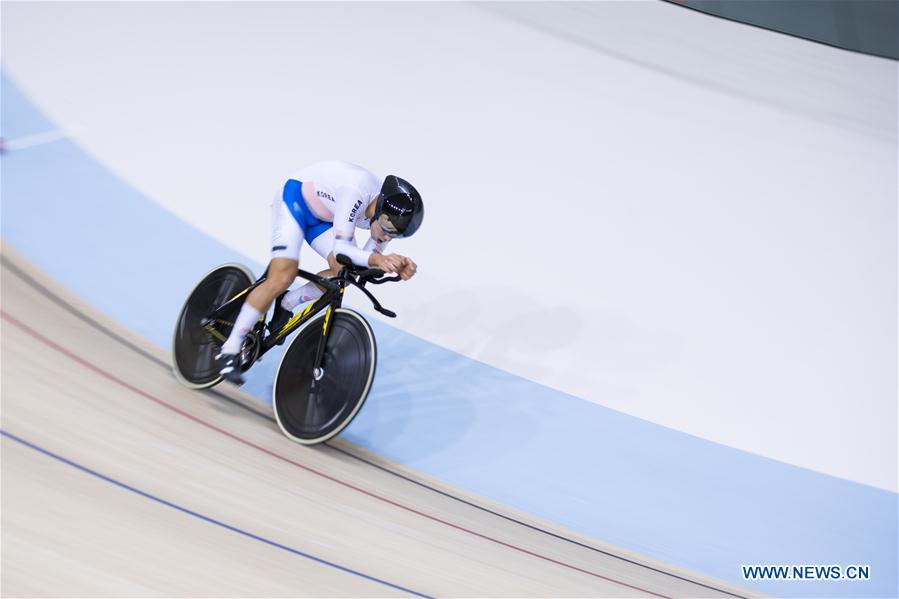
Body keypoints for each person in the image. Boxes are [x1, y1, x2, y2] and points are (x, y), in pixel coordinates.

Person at [216, 160, 423, 383]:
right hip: (295, 201)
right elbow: (343, 249)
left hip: (324, 218)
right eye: (388, 227)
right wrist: (379, 259)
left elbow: (361, 263)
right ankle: (228, 350)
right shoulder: (356, 191)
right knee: (283, 275)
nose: (388, 236)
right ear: (380, 206)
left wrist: (396, 266)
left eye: (397, 234)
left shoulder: (384, 221)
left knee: (345, 272)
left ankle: (287, 302)